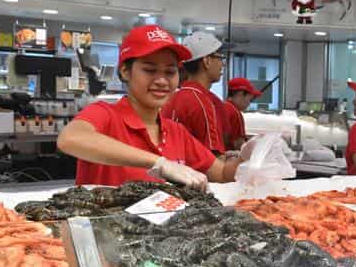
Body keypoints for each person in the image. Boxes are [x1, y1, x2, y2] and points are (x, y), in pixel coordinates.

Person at [57, 24, 241, 189]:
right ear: (125, 71)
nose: (161, 81)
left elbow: (222, 173)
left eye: (170, 72)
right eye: (150, 70)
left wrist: (251, 158)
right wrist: (160, 163)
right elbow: (70, 139)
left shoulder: (177, 132)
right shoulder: (105, 114)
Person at [161, 31, 226, 155]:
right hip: (194, 173)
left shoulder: (172, 98)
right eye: (219, 57)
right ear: (207, 61)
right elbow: (213, 158)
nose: (222, 64)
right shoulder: (203, 103)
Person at [222, 77, 261, 151]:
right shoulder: (235, 113)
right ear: (240, 94)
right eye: (250, 99)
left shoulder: (221, 106)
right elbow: (239, 145)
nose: (249, 103)